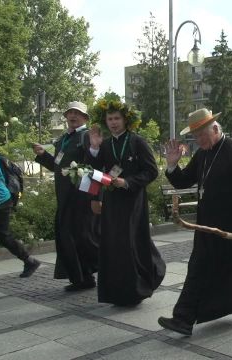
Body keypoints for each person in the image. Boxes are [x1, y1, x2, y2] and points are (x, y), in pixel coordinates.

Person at [158, 108, 232, 335]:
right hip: (208, 226)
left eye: (200, 135)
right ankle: (183, 318)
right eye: (194, 137)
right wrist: (172, 165)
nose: (197, 141)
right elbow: (184, 181)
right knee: (197, 267)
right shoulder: (204, 153)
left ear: (215, 129)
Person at [87, 100, 165, 306]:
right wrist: (94, 149)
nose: (113, 123)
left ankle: (136, 289)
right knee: (113, 245)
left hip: (132, 201)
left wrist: (128, 182)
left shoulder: (136, 141)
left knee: (130, 242)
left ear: (125, 120)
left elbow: (151, 171)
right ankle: (116, 292)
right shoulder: (105, 143)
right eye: (109, 119)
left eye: (117, 118)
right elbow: (96, 171)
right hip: (112, 201)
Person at [33, 101, 99, 291]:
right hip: (65, 197)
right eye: (70, 112)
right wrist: (43, 155)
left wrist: (94, 195)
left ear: (85, 118)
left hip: (81, 196)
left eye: (77, 113)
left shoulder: (86, 136)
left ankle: (97, 271)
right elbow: (57, 166)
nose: (72, 116)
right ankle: (80, 278)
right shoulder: (64, 138)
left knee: (83, 237)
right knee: (68, 237)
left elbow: (95, 163)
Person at [0, 154, 40, 278]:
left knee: (3, 236)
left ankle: (29, 261)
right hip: (2, 201)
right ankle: (29, 261)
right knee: (2, 236)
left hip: (1, 201)